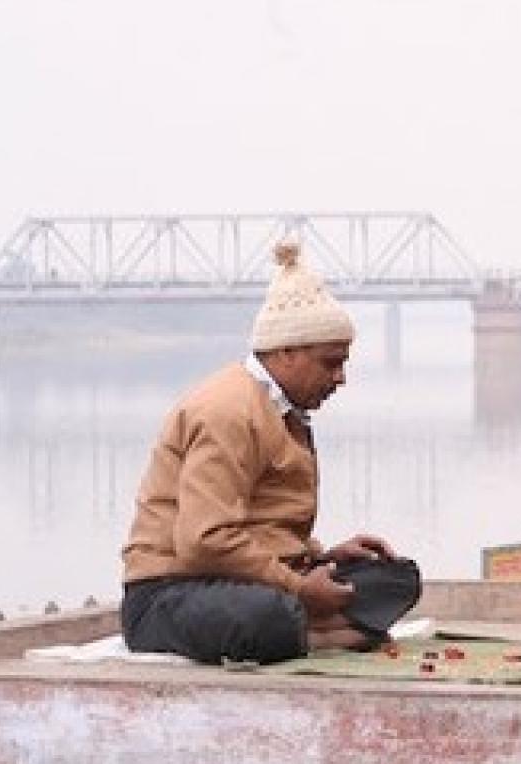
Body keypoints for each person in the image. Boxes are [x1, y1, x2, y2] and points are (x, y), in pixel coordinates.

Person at [120, 243, 395, 664]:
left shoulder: (287, 411)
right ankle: (314, 630)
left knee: (393, 579)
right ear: (287, 352)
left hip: (244, 580)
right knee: (268, 615)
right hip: (170, 594)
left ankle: (315, 623)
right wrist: (301, 589)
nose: (340, 379)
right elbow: (203, 542)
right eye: (330, 364)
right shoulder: (226, 411)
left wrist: (320, 556)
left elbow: (261, 524)